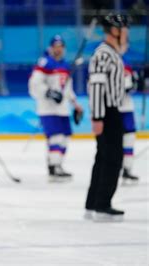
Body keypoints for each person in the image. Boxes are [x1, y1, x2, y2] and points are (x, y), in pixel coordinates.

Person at [84, 13, 128, 222]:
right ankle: (102, 204)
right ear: (114, 30)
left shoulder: (112, 53)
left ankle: (94, 203)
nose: (126, 33)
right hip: (108, 113)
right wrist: (98, 117)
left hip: (111, 111)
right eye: (123, 28)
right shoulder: (103, 54)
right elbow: (97, 87)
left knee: (104, 158)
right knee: (111, 159)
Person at [28, 35, 83, 182]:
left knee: (64, 139)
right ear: (51, 48)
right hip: (47, 108)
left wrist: (75, 103)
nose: (58, 49)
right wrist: (48, 92)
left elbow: (68, 88)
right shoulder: (45, 63)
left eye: (61, 46)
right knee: (56, 138)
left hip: (62, 109)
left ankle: (58, 164)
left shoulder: (65, 65)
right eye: (55, 46)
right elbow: (34, 84)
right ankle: (54, 167)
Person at [120, 56, 139, 182]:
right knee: (112, 143)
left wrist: (135, 83)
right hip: (112, 110)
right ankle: (112, 170)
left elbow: (133, 86)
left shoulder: (127, 62)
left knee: (129, 139)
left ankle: (127, 169)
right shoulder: (104, 59)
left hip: (127, 109)